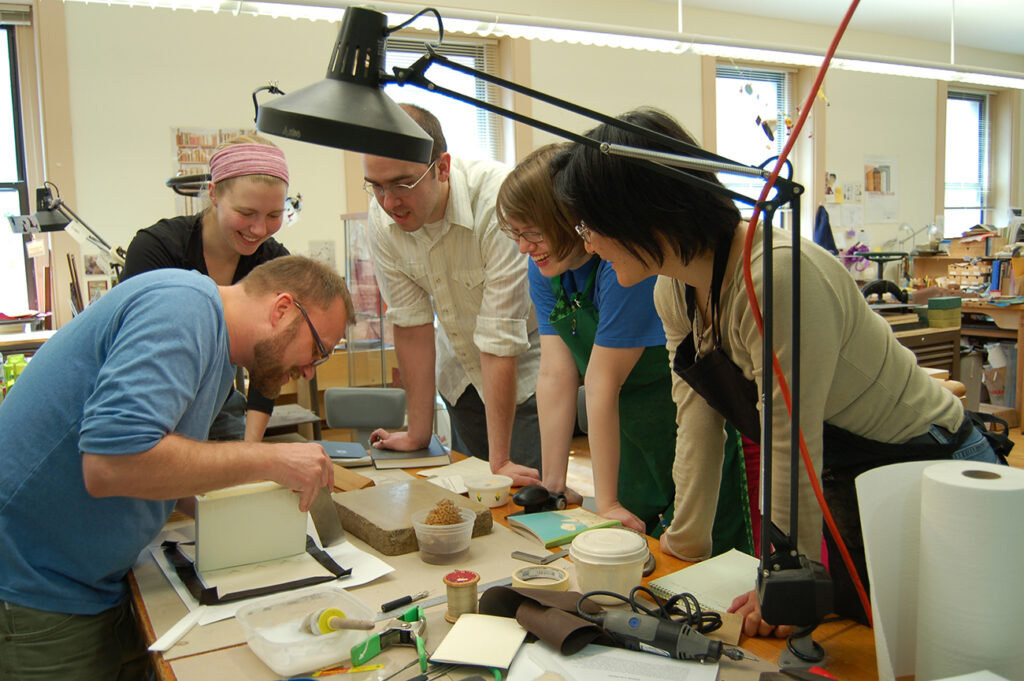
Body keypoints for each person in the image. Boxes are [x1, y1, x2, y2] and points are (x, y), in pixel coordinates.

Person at [552, 106, 1000, 636]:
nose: (587, 244)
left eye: (589, 225)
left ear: (639, 213)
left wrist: (787, 581)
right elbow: (696, 422)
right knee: (863, 638)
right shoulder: (673, 288)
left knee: (942, 643)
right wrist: (682, 543)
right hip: (847, 478)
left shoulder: (776, 278)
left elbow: (790, 443)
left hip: (924, 472)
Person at [0, 255, 353, 680]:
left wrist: (257, 502)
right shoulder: (182, 310)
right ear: (281, 309)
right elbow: (110, 465)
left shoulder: (220, 354)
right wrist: (268, 459)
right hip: (38, 589)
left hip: (97, 583)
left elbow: (164, 465)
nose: (310, 371)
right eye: (317, 350)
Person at [496, 143, 752, 546]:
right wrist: (554, 484)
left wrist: (607, 500)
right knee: (638, 546)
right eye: (515, 234)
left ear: (568, 218)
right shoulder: (546, 270)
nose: (524, 247)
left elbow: (600, 380)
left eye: (533, 232)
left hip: (683, 424)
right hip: (624, 434)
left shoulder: (622, 266)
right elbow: (555, 373)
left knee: (707, 549)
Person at [362, 103, 542, 486]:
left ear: (441, 168)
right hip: (461, 378)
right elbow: (411, 326)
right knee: (470, 497)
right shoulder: (382, 218)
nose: (388, 202)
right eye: (376, 186)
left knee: (522, 494)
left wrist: (501, 461)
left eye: (402, 184)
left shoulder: (497, 200)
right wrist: (417, 433)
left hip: (523, 376)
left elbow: (498, 338)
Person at [121, 134, 292, 442]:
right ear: (214, 193)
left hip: (220, 406)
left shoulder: (273, 263)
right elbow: (134, 361)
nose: (259, 229)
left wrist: (249, 449)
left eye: (274, 215)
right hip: (150, 402)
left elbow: (271, 360)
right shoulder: (157, 250)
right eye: (246, 213)